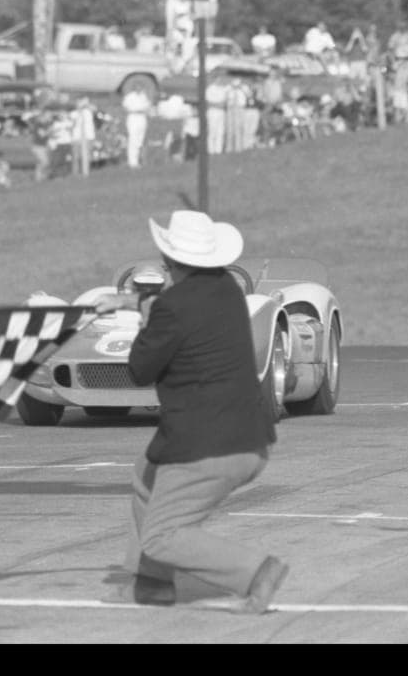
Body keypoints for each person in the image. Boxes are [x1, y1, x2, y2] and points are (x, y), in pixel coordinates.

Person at [91, 210, 286, 612]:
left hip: (206, 447)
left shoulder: (172, 308)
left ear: (171, 262)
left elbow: (140, 369)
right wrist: (133, 302)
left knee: (161, 535)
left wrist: (145, 320)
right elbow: (179, 305)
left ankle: (255, 572)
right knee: (146, 475)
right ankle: (153, 585)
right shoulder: (227, 290)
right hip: (250, 440)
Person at [122, 85, 152, 168]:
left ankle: (140, 160)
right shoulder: (130, 96)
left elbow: (148, 106)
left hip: (142, 117)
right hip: (133, 117)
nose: (139, 89)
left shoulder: (143, 96)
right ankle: (132, 162)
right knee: (133, 139)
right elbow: (126, 107)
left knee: (140, 140)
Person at [71, 96, 96, 177]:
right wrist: (79, 110)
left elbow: (94, 109)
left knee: (87, 155)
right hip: (77, 136)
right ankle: (76, 173)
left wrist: (86, 104)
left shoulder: (88, 111)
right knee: (76, 156)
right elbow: (73, 124)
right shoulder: (74, 113)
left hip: (88, 135)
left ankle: (86, 172)